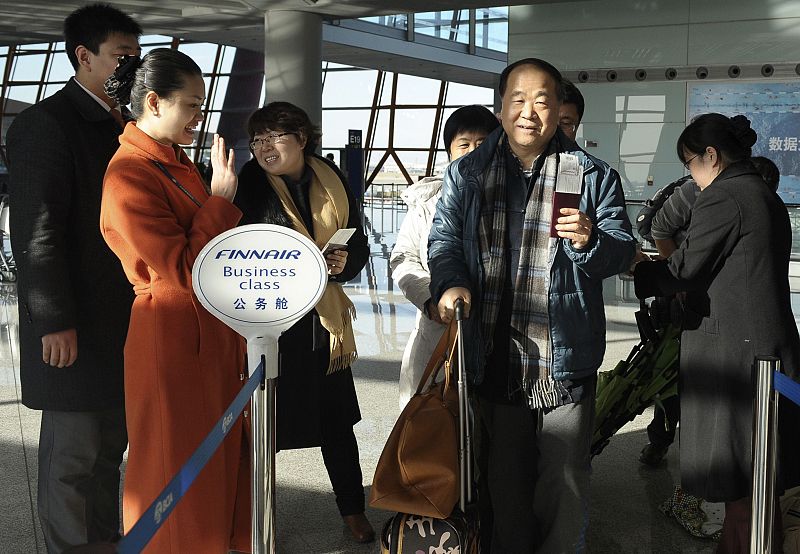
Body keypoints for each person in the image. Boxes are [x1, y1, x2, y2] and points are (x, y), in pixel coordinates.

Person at [428, 58, 636, 553]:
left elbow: (623, 251)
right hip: (494, 355)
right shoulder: (468, 174)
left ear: (558, 108)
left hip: (563, 362)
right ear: (501, 108)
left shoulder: (591, 176)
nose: (530, 112)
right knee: (504, 487)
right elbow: (444, 241)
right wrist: (451, 283)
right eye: (518, 100)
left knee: (563, 486)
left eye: (543, 101)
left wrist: (590, 241)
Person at [100, 49, 250, 553]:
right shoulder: (129, 174)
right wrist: (221, 200)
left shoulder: (171, 163)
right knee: (174, 463)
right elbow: (183, 268)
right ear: (153, 102)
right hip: (170, 333)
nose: (199, 115)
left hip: (203, 332)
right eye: (190, 105)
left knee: (208, 461)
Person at [6, 5, 141, 551]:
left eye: (135, 56)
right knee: (73, 454)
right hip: (77, 322)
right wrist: (53, 321)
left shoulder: (125, 125)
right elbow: (37, 235)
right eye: (119, 56)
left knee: (109, 447)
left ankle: (103, 543)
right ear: (84, 56)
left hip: (118, 321)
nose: (129, 66)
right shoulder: (48, 124)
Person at [633, 113, 800, 552]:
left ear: (711, 156)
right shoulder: (761, 191)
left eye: (690, 163)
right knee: (757, 486)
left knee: (745, 483)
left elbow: (684, 269)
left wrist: (637, 269)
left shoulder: (725, 196)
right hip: (765, 350)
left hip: (739, 359)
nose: (691, 175)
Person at [233, 101, 374, 544]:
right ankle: (258, 513)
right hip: (274, 323)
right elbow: (237, 249)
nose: (264, 147)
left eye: (275, 136)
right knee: (265, 425)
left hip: (323, 325)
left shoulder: (332, 178)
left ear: (302, 139)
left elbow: (358, 239)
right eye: (258, 139)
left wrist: (343, 261)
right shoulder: (249, 185)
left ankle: (353, 511)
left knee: (336, 424)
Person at [390, 104, 499, 408]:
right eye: (464, 144)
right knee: (433, 422)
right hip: (438, 329)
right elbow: (404, 257)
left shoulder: (509, 201)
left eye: (482, 143)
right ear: (450, 152)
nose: (473, 151)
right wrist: (429, 298)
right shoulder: (427, 204)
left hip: (496, 335)